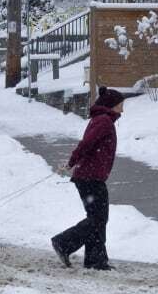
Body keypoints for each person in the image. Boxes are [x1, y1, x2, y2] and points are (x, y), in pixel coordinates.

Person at [51, 86, 124, 271]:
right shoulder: (104, 122)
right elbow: (86, 144)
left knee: (97, 218)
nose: (122, 109)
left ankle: (95, 260)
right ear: (111, 105)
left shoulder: (102, 120)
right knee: (98, 219)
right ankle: (63, 243)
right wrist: (71, 162)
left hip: (90, 176)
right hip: (90, 177)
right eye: (120, 105)